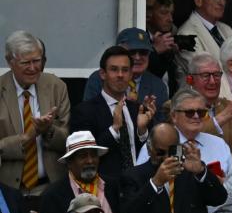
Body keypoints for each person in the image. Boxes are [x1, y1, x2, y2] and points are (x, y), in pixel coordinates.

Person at [0, 30, 71, 197]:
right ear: (10, 61)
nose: (33, 68)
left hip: (50, 188)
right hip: (7, 190)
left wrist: (48, 130)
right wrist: (26, 138)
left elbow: (68, 140)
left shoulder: (56, 86)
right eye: (25, 62)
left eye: (37, 61)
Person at [71, 46, 157, 181]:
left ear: (130, 75)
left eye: (125, 70)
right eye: (114, 69)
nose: (120, 75)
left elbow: (151, 154)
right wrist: (114, 129)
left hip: (138, 187)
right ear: (103, 74)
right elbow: (85, 156)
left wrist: (142, 131)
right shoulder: (84, 111)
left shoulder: (138, 110)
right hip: (104, 190)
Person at [136, 88, 232, 174]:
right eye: (190, 112)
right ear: (174, 116)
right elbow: (140, 180)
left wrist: (221, 183)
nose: (196, 116)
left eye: (201, 112)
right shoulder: (158, 144)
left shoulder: (219, 144)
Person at [82, 28, 170, 122]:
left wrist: (145, 116)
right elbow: (89, 116)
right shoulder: (100, 78)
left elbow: (161, 126)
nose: (137, 57)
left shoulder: (158, 86)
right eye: (132, 52)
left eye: (143, 52)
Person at [187, 52, 232, 162]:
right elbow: (187, 139)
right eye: (205, 76)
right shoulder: (176, 108)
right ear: (191, 80)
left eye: (217, 75)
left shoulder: (228, 106)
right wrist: (224, 116)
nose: (213, 82)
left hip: (228, 177)